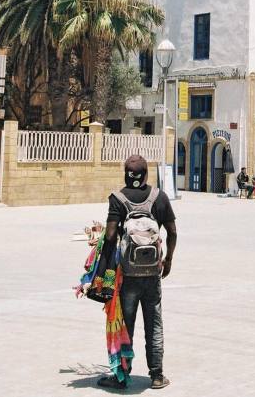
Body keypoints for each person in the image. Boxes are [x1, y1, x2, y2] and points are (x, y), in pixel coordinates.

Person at [98, 155, 177, 390]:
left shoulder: (118, 199)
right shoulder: (159, 197)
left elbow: (111, 237)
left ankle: (122, 374)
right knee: (154, 324)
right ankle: (157, 375)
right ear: (145, 175)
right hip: (152, 274)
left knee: (126, 325)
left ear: (125, 174)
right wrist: (168, 259)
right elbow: (172, 232)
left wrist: (103, 272)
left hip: (128, 275)